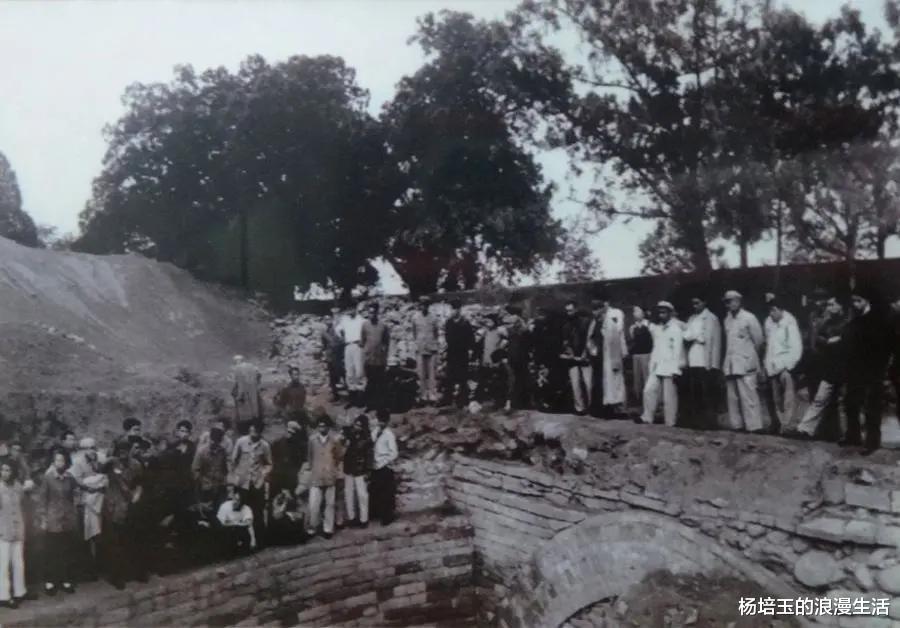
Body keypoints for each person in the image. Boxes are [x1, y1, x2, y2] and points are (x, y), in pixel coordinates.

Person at [842, 285, 891, 455]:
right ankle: (853, 435)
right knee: (851, 403)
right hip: (855, 369)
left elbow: (884, 347)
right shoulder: (855, 320)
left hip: (872, 370)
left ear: (867, 301)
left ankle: (872, 442)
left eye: (858, 301)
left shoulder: (877, 320)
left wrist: (881, 369)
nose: (855, 304)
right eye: (853, 301)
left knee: (872, 407)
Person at [791, 296, 846, 440]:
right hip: (828, 368)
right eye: (828, 304)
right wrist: (828, 341)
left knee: (842, 402)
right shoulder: (826, 323)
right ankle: (806, 429)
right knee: (821, 399)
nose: (829, 307)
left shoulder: (846, 324)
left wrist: (834, 342)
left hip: (843, 367)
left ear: (841, 307)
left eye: (833, 304)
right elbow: (818, 340)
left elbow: (847, 343)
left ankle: (842, 433)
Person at [102, 440, 146, 589]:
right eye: (120, 451)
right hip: (114, 508)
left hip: (130, 506)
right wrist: (109, 456)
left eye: (125, 450)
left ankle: (135, 572)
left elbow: (140, 483)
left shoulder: (136, 465)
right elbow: (99, 468)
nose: (123, 453)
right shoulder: (111, 463)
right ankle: (116, 577)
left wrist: (137, 495)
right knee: (115, 544)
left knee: (132, 540)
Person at [721, 290, 765, 433]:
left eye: (731, 301)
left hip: (746, 361)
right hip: (731, 362)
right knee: (732, 397)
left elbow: (758, 341)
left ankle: (754, 426)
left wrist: (752, 358)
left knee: (749, 396)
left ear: (739, 301)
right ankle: (737, 425)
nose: (729, 304)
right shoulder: (727, 320)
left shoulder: (749, 318)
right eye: (726, 302)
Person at [38, 449, 79, 595]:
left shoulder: (70, 478)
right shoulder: (48, 478)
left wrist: (73, 510)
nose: (60, 463)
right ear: (53, 462)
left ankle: (65, 580)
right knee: (52, 551)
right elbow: (42, 500)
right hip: (53, 519)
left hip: (67, 519)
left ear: (66, 462)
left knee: (66, 550)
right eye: (57, 460)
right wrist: (43, 518)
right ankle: (50, 581)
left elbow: (76, 493)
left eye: (62, 460)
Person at [640, 302, 685, 427]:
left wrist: (677, 369)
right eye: (660, 312)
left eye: (664, 312)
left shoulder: (676, 329)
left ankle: (670, 422)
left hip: (670, 367)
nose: (661, 314)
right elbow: (656, 347)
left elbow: (678, 350)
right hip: (657, 365)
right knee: (649, 390)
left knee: (669, 398)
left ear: (670, 313)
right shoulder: (657, 328)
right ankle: (647, 417)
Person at [683, 295, 723, 430]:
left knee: (708, 393)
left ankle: (710, 422)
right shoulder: (692, 318)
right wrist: (696, 336)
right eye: (693, 303)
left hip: (706, 360)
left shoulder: (711, 318)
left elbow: (715, 342)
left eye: (697, 303)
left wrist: (713, 364)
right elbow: (686, 335)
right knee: (696, 393)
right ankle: (697, 422)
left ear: (704, 302)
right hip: (694, 358)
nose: (695, 306)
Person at [763, 299, 803, 431]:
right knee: (776, 398)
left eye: (774, 310)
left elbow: (796, 347)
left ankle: (787, 425)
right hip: (773, 365)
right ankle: (777, 423)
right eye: (769, 310)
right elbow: (769, 345)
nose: (771, 313)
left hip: (786, 365)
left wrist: (788, 366)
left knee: (789, 398)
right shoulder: (768, 323)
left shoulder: (790, 322)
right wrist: (767, 364)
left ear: (781, 310)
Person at [230, 420, 272, 547]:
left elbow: (269, 464)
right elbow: (233, 460)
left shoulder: (265, 446)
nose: (253, 433)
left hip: (257, 484)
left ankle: (260, 540)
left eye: (256, 431)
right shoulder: (241, 442)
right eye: (251, 430)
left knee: (257, 512)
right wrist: (236, 477)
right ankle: (242, 540)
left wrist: (262, 475)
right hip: (242, 484)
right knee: (240, 511)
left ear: (260, 432)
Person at [305, 412, 344, 539]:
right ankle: (312, 528)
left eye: (324, 426)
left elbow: (338, 457)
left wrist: (332, 469)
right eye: (320, 426)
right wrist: (314, 469)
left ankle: (328, 529)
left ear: (328, 427)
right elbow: (310, 457)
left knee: (330, 504)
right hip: (316, 476)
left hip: (329, 476)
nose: (322, 428)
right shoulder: (312, 440)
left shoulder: (334, 440)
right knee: (314, 504)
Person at [0, 459, 33, 609]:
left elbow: (24, 505)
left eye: (8, 470)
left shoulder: (18, 487)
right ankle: (4, 596)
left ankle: (20, 591)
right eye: (3, 470)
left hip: (18, 530)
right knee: (3, 564)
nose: (5, 473)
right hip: (3, 532)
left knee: (18, 563)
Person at [160, 420, 196, 533]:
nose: (184, 433)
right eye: (181, 431)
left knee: (183, 508)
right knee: (171, 507)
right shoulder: (172, 445)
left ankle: (179, 532)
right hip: (172, 482)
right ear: (177, 432)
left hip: (186, 482)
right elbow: (164, 461)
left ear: (190, 433)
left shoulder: (192, 447)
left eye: (186, 431)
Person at [530, 307, 566, 412]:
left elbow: (554, 346)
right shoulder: (538, 328)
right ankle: (544, 402)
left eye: (542, 315)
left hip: (551, 359)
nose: (540, 317)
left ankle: (549, 403)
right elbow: (535, 344)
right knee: (542, 381)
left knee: (549, 381)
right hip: (542, 359)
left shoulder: (554, 329)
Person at [342, 415, 373, 528]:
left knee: (362, 495)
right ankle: (351, 518)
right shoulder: (349, 435)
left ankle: (364, 519)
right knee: (348, 494)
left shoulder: (367, 439)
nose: (357, 427)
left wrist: (368, 471)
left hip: (360, 470)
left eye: (359, 425)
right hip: (349, 468)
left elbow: (369, 456)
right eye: (356, 424)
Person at [561, 300, 591, 415]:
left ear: (576, 309)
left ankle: (591, 407)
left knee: (588, 383)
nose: (569, 313)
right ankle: (579, 408)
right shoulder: (566, 325)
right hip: (573, 359)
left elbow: (589, 339)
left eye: (571, 310)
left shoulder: (586, 322)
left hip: (585, 357)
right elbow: (565, 342)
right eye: (567, 311)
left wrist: (585, 353)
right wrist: (570, 352)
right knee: (575, 384)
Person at [444, 299, 475, 407]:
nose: (454, 311)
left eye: (456, 309)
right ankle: (448, 399)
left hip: (462, 353)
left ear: (459, 310)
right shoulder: (449, 322)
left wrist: (470, 350)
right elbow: (447, 337)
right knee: (450, 376)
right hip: (452, 353)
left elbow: (471, 338)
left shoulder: (465, 323)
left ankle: (462, 400)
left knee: (462, 377)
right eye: (452, 309)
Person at [370, 408, 398, 526]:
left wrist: (384, 461)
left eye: (383, 421)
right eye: (379, 420)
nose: (380, 423)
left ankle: (387, 517)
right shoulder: (374, 431)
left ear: (386, 422)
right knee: (376, 491)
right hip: (375, 466)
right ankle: (377, 514)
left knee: (386, 493)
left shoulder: (389, 434)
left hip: (384, 467)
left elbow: (394, 453)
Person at [361, 302, 391, 410]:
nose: (371, 315)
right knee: (370, 382)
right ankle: (369, 405)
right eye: (370, 313)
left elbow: (387, 342)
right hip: (369, 359)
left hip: (380, 359)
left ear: (377, 312)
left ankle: (380, 405)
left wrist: (384, 355)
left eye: (373, 312)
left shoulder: (383, 326)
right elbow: (363, 341)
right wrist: (365, 354)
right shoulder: (365, 325)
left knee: (380, 383)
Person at [192, 425, 230, 506]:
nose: (213, 442)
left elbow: (225, 469)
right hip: (205, 489)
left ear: (219, 441)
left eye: (216, 441)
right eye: (212, 439)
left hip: (219, 488)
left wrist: (224, 481)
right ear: (210, 438)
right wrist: (203, 482)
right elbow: (195, 470)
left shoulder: (222, 452)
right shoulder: (201, 451)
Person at [412, 296, 440, 405]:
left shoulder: (433, 318)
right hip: (420, 348)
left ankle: (432, 395)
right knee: (421, 373)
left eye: (426, 305)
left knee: (432, 373)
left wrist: (433, 343)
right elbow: (414, 333)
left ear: (428, 306)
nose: (424, 307)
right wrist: (418, 343)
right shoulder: (415, 318)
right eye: (422, 305)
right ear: (419, 306)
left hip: (431, 348)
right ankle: (423, 395)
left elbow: (436, 333)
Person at [504, 305, 530, 411]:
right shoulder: (512, 330)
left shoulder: (523, 330)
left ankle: (519, 403)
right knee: (514, 380)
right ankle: (512, 402)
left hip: (520, 357)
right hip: (514, 357)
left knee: (520, 380)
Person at [340, 304, 367, 407]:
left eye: (351, 308)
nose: (349, 311)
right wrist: (343, 339)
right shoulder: (344, 320)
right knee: (349, 372)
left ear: (355, 309)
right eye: (348, 308)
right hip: (348, 346)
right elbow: (339, 330)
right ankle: (352, 399)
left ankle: (361, 399)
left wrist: (362, 341)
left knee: (359, 371)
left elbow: (366, 333)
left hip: (358, 346)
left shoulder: (362, 320)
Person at [270, 421, 307, 495]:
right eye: (288, 432)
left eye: (293, 433)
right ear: (286, 430)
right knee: (273, 494)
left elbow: (301, 461)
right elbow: (271, 456)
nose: (290, 434)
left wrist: (297, 471)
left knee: (290, 496)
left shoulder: (299, 446)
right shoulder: (277, 442)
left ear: (296, 434)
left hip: (290, 476)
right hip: (277, 473)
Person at [216, 488, 256, 555]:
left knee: (243, 531)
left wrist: (253, 540)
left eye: (238, 500)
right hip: (225, 533)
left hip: (239, 531)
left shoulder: (246, 509)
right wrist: (237, 523)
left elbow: (249, 524)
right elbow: (221, 524)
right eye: (234, 498)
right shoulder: (225, 506)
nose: (235, 502)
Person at [479, 314, 507, 405]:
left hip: (495, 358)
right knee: (486, 378)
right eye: (486, 321)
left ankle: (498, 399)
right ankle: (487, 397)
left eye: (489, 321)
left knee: (496, 379)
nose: (487, 323)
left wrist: (501, 348)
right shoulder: (486, 331)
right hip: (486, 357)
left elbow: (506, 339)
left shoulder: (499, 331)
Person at [629, 306, 653, 411]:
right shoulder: (632, 328)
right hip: (636, 355)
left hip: (647, 355)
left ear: (643, 313)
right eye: (634, 311)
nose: (635, 313)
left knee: (647, 379)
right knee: (637, 381)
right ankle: (640, 405)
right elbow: (632, 341)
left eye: (637, 311)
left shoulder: (649, 325)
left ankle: (649, 405)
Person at [321, 307, 345, 402]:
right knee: (332, 377)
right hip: (330, 356)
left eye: (329, 319)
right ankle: (336, 396)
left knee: (341, 375)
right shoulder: (324, 333)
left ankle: (346, 397)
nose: (328, 321)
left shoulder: (337, 330)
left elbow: (342, 341)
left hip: (338, 356)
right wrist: (326, 354)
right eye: (326, 319)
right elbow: (324, 345)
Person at [231, 356, 263, 422]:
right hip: (253, 387)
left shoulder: (237, 368)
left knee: (244, 405)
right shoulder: (251, 365)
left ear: (237, 361)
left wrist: (239, 396)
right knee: (255, 403)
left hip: (245, 389)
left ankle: (246, 421)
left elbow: (240, 383)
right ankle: (256, 417)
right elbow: (259, 374)